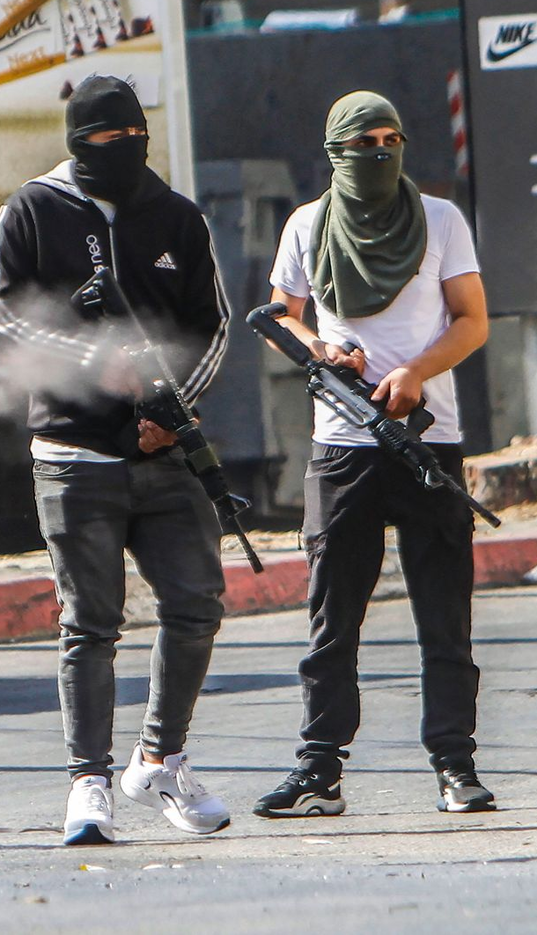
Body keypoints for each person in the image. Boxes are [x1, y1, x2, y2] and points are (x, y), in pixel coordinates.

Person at [0, 75, 232, 845]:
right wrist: (99, 362)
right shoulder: (31, 209)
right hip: (73, 451)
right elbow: (1, 316)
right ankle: (88, 782)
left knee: (197, 602)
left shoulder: (176, 217)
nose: (122, 151)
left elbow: (214, 325)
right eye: (104, 142)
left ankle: (160, 755)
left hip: (165, 457)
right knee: (89, 622)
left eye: (132, 137)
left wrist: (169, 408)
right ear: (76, 142)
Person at [253, 91, 493, 819]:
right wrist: (321, 350)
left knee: (444, 615)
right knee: (333, 617)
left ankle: (455, 763)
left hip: (428, 441)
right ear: (337, 152)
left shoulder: (442, 221)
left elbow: (473, 320)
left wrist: (415, 373)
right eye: (365, 142)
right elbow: (279, 318)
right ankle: (319, 768)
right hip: (343, 445)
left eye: (392, 138)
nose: (381, 152)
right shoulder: (307, 226)